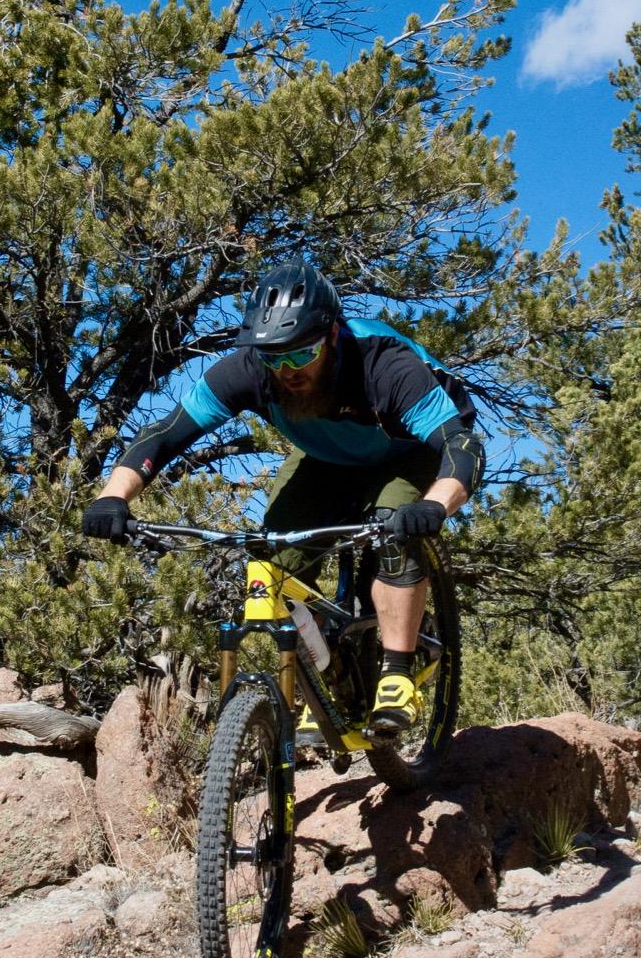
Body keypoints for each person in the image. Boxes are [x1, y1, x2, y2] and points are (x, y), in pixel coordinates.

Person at [80, 258, 484, 737]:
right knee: (275, 558)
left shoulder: (384, 364)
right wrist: (113, 498)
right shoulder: (251, 369)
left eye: (300, 355)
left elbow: (460, 446)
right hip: (326, 456)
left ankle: (396, 673)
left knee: (393, 531)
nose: (287, 370)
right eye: (275, 357)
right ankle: (331, 675)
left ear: (332, 335)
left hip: (407, 453)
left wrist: (434, 506)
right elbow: (166, 434)